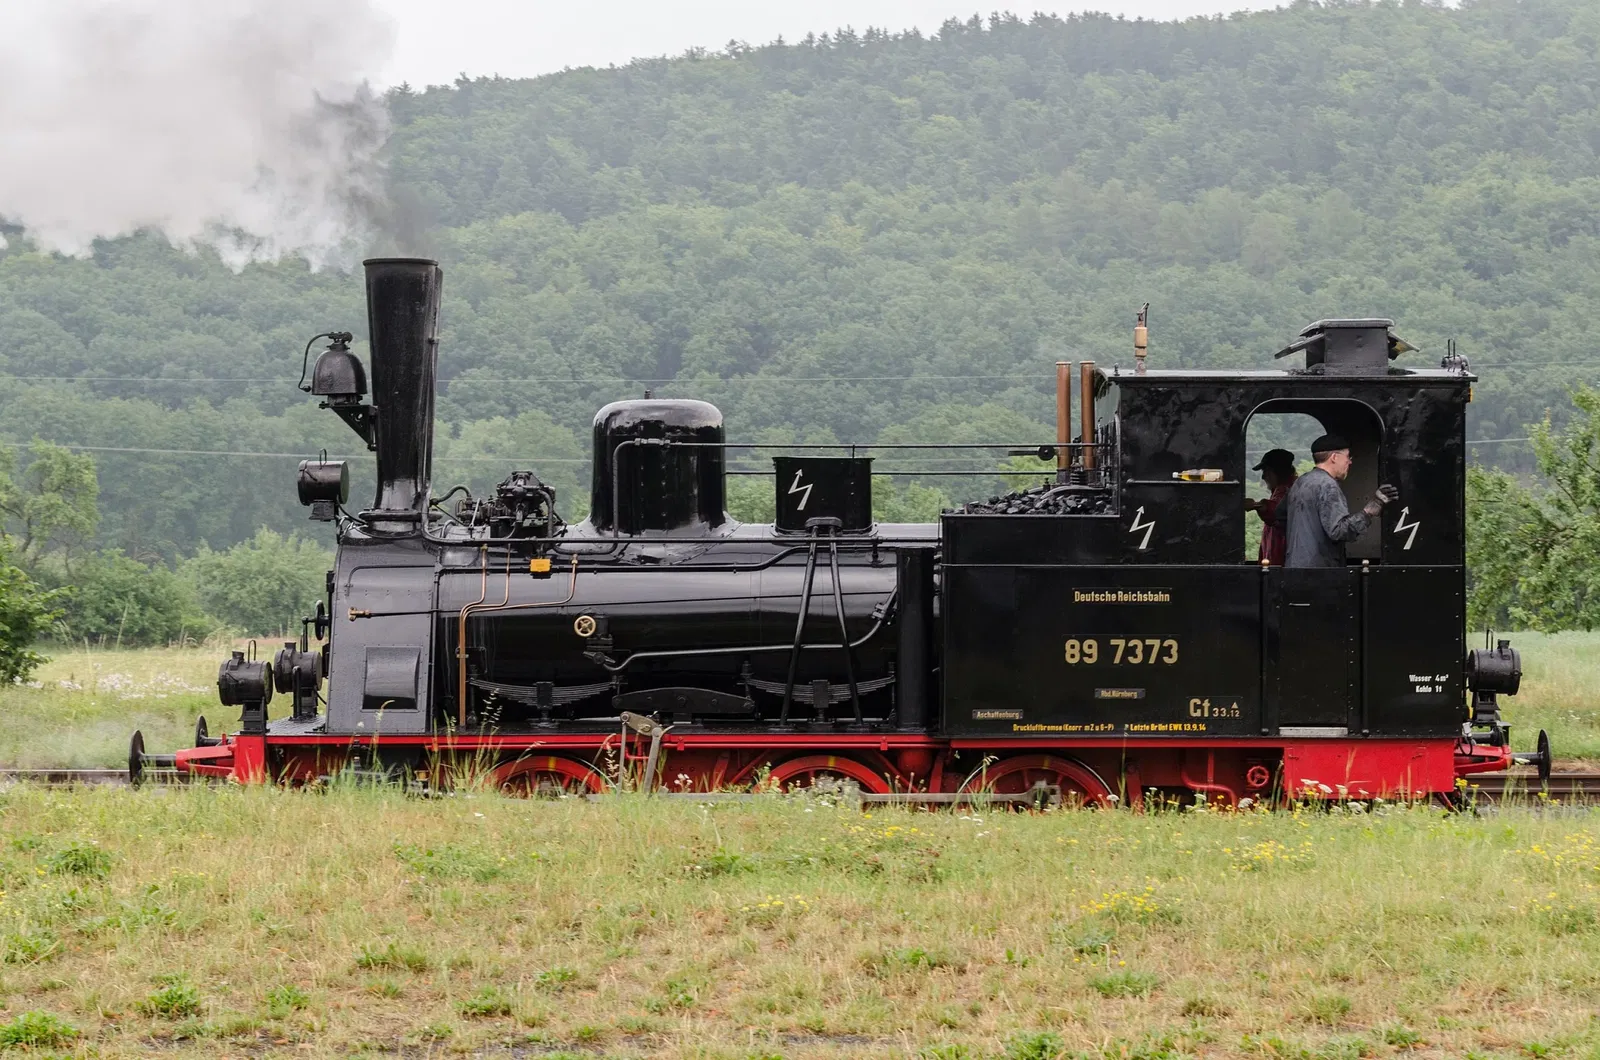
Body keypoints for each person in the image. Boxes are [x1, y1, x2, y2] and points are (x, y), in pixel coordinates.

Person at [1283, 433, 1398, 568]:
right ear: (1334, 457)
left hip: (1293, 568)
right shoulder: (1328, 485)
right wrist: (1370, 510)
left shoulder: (1300, 482)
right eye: (1348, 457)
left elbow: (1280, 515)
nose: (1349, 462)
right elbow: (1338, 531)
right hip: (1320, 572)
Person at [1244, 448, 1297, 566]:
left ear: (1278, 472)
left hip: (1281, 562)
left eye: (1266, 471)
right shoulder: (1282, 491)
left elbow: (1276, 512)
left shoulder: (1288, 491)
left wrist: (1256, 505)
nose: (1263, 477)